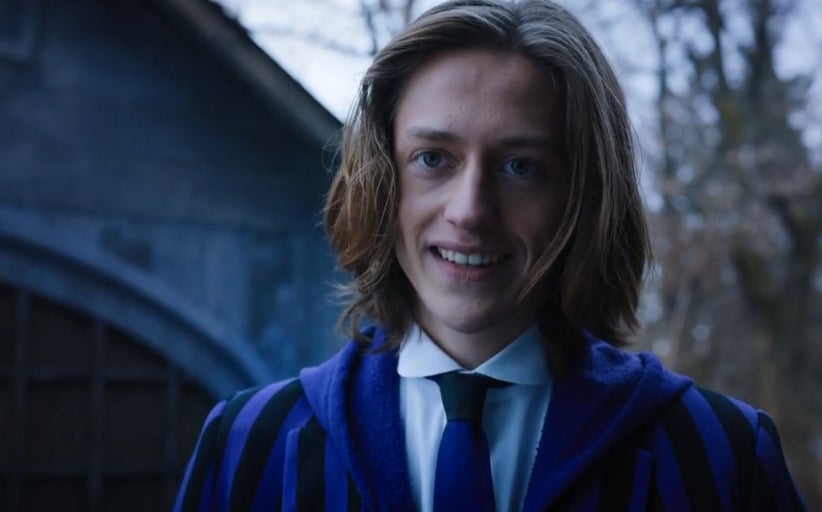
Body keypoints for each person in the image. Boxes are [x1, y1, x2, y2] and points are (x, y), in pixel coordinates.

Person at [174, 1, 808, 510]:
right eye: (433, 159)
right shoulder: (248, 447)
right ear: (383, 180)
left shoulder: (718, 457)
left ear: (583, 196)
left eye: (520, 166)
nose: (470, 210)